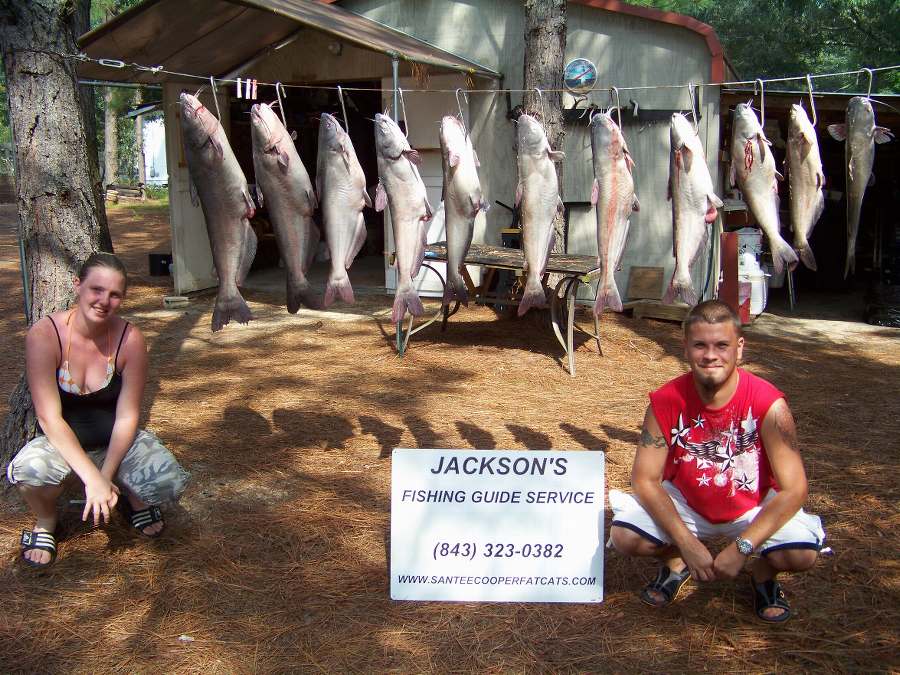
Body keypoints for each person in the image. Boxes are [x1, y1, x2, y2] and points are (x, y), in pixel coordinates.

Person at [608, 300, 824, 623]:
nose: (711, 355)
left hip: (752, 502)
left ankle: (763, 575)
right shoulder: (666, 400)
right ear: (685, 348)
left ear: (739, 348)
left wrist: (742, 548)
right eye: (700, 345)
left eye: (722, 345)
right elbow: (644, 479)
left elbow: (794, 489)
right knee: (625, 536)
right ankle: (676, 561)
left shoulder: (769, 404)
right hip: (687, 500)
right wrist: (686, 542)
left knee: (801, 552)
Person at [7, 252, 189, 568]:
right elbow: (48, 417)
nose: (104, 300)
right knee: (29, 473)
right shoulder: (45, 334)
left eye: (115, 294)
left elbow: (128, 416)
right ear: (77, 285)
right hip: (63, 443)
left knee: (168, 481)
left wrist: (104, 475)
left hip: (116, 443)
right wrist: (92, 478)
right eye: (96, 289)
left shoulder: (129, 339)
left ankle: (134, 498)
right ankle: (46, 519)